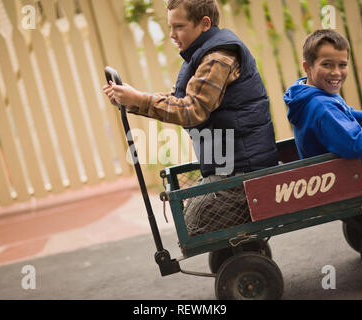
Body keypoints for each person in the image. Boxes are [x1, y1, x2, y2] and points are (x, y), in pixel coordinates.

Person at [104, 0, 278, 235]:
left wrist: (140, 99)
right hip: (231, 165)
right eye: (170, 27)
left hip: (244, 173)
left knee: (192, 223)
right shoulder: (206, 55)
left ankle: (245, 248)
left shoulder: (218, 58)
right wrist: (133, 101)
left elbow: (191, 110)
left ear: (204, 23)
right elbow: (185, 101)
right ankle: (241, 248)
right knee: (191, 216)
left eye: (179, 27)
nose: (172, 35)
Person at [284, 29, 362, 191]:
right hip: (360, 172)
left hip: (347, 170)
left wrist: (359, 115)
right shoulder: (322, 106)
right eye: (326, 64)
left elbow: (337, 115)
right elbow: (355, 144)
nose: (336, 72)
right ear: (308, 67)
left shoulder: (308, 93)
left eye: (342, 65)